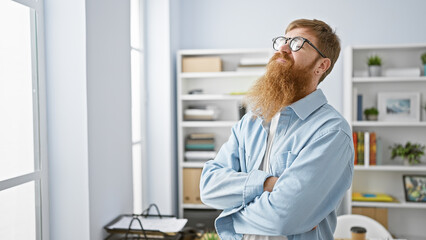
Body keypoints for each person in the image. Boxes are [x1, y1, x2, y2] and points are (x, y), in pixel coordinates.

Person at [199, 19, 354, 240]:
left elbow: (284, 217)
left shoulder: (331, 132)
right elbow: (209, 187)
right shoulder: (251, 121)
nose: (283, 48)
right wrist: (266, 184)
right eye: (284, 40)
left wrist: (229, 214)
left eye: (298, 43)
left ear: (321, 66)